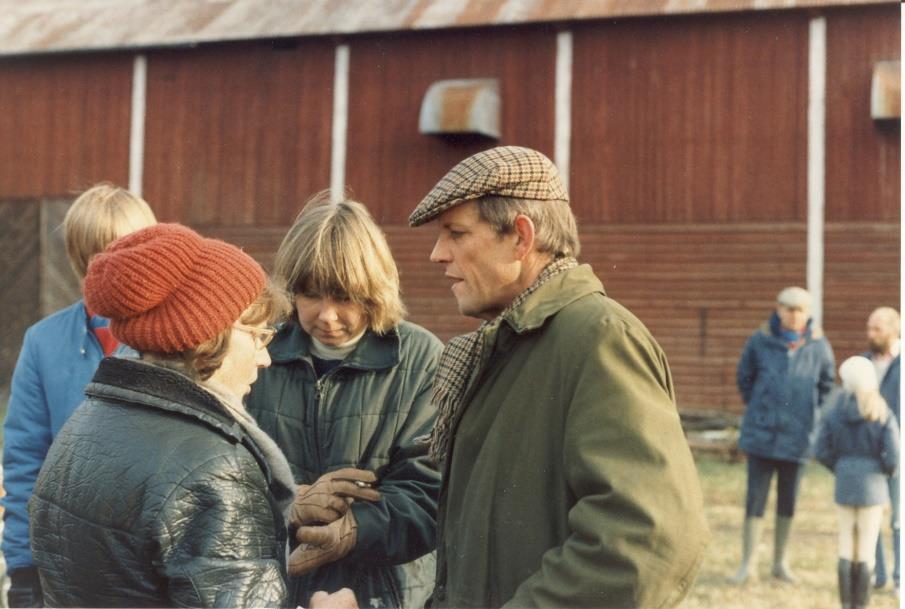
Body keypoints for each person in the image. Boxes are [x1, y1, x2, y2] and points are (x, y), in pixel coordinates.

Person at [407, 145, 708, 608]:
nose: (436, 254)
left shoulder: (598, 338)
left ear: (521, 238)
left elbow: (647, 539)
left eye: (456, 233)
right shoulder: (504, 346)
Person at [27, 222, 306, 606]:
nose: (265, 358)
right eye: (259, 335)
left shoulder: (84, 425)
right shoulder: (215, 468)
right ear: (209, 335)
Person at [246, 192, 443, 609]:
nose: (327, 316)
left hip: (381, 592)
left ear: (373, 290)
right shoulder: (256, 353)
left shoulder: (421, 358)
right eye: (311, 295)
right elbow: (225, 473)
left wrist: (355, 530)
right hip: (274, 591)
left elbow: (431, 492)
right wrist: (288, 504)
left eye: (343, 296)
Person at [1, 183, 156, 607]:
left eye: (128, 253)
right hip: (64, 564)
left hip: (146, 562)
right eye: (98, 256)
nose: (113, 267)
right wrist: (22, 569)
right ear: (79, 260)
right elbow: (24, 461)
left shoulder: (166, 341)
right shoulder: (43, 342)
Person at [731, 286, 836, 584]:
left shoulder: (819, 346)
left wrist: (808, 416)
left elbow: (827, 387)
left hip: (798, 438)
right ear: (778, 309)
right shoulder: (760, 340)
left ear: (808, 314)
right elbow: (745, 378)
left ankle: (780, 563)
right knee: (755, 500)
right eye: (788, 308)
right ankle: (747, 565)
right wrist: (762, 407)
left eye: (800, 309)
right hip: (762, 436)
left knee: (788, 501)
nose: (793, 315)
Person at [816, 356, 899, 609]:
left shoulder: (836, 409)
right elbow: (895, 454)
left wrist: (839, 467)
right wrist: (884, 471)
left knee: (845, 544)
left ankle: (845, 604)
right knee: (865, 548)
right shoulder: (881, 411)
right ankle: (860, 605)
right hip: (873, 487)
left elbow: (821, 449)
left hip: (844, 484)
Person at [865, 306, 900, 592]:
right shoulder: (863, 363)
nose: (871, 334)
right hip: (868, 454)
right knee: (872, 517)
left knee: (899, 517)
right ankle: (879, 575)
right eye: (869, 328)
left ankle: (901, 576)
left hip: (899, 451)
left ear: (894, 329)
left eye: (877, 329)